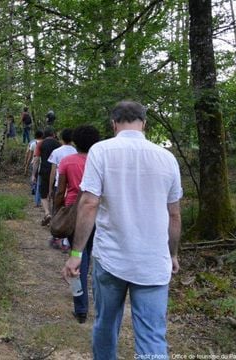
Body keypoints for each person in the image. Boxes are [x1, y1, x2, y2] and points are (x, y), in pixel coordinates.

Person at [62, 101, 182, 359]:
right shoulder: (167, 158)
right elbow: (174, 214)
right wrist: (172, 254)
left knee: (106, 324)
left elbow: (89, 203)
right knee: (152, 336)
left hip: (111, 258)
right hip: (153, 261)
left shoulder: (101, 151)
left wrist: (76, 254)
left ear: (114, 124)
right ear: (144, 124)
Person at [54, 125, 100, 323]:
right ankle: (101, 305)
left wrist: (57, 212)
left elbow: (60, 190)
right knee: (98, 260)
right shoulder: (100, 161)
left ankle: (80, 308)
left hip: (75, 213)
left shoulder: (67, 161)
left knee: (78, 258)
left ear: (75, 141)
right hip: (100, 212)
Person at [47, 128, 77, 250]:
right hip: (73, 186)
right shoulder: (76, 151)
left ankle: (57, 237)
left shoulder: (57, 151)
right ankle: (66, 241)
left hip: (60, 184)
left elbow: (53, 171)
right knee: (70, 213)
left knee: (58, 211)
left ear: (62, 139)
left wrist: (50, 188)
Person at [32, 127, 60, 225]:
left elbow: (36, 160)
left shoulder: (40, 144)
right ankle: (54, 214)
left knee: (43, 193)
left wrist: (33, 174)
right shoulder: (59, 144)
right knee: (54, 192)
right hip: (57, 172)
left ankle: (47, 213)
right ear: (53, 134)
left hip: (44, 170)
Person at [24, 130, 44, 207]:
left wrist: (27, 163)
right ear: (42, 135)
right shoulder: (44, 143)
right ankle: (37, 191)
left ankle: (33, 189)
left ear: (35, 136)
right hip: (42, 163)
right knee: (38, 177)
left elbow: (30, 154)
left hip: (34, 162)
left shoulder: (33, 144)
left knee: (33, 176)